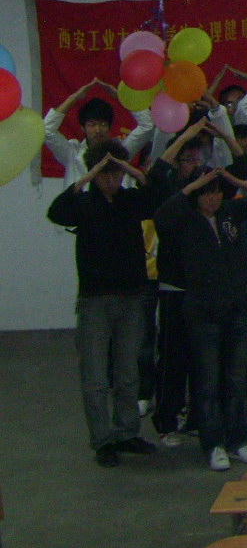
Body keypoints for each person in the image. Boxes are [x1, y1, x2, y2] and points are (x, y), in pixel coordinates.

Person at [47, 142, 161, 467]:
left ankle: (127, 432)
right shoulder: (83, 204)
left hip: (132, 296)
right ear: (95, 174)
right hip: (95, 300)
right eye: (105, 174)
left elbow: (156, 197)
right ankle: (103, 440)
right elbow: (56, 212)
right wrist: (87, 176)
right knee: (96, 376)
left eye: (116, 174)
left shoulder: (130, 201)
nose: (111, 180)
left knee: (127, 373)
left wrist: (130, 169)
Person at [155, 167, 247, 471]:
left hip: (238, 307)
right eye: (205, 192)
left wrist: (237, 181)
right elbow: (162, 215)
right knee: (208, 381)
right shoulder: (184, 219)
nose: (212, 198)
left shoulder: (231, 212)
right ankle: (213, 443)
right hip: (203, 311)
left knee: (236, 379)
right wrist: (191, 187)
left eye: (216, 191)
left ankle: (238, 440)